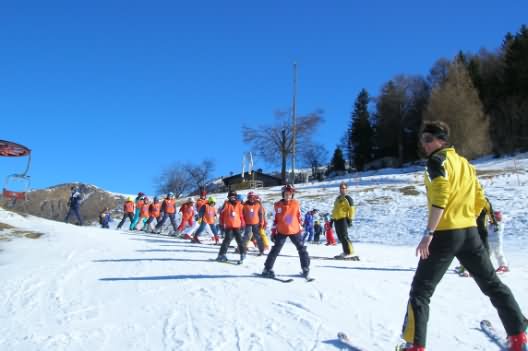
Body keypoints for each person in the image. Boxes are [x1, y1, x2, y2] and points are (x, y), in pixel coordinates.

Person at [398, 121, 527, 351]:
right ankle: (518, 335)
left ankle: (414, 346)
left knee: (420, 292)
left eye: (429, 140)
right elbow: (479, 198)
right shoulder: (465, 164)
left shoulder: (437, 161)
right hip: (469, 234)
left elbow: (441, 196)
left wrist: (429, 233)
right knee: (493, 285)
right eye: (422, 140)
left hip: (444, 235)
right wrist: (467, 220)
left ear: (442, 141)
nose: (424, 144)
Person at [261, 184, 310, 279]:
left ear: (292, 195)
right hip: (282, 231)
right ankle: (267, 269)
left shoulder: (296, 204)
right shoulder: (277, 205)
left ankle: (305, 268)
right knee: (275, 250)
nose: (288, 196)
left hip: (295, 230)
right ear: (283, 194)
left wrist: (301, 227)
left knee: (302, 249)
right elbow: (275, 220)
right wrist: (273, 231)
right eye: (286, 194)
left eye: (290, 194)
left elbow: (299, 217)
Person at [216, 190, 246, 262]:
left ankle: (242, 254)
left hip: (237, 225)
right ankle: (221, 255)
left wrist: (243, 223)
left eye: (234, 196)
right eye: (231, 197)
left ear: (236, 197)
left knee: (240, 240)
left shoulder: (239, 205)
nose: (232, 198)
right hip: (228, 226)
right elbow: (221, 214)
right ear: (229, 197)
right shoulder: (226, 204)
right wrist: (221, 224)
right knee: (227, 240)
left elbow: (241, 215)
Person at [331, 182, 357, 259]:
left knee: (344, 236)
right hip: (336, 219)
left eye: (344, 188)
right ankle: (345, 251)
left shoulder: (348, 198)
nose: (342, 189)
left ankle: (350, 252)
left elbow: (352, 209)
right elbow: (334, 210)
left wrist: (350, 219)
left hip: (343, 219)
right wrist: (331, 220)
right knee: (340, 237)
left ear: (346, 189)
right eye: (341, 188)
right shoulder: (337, 198)